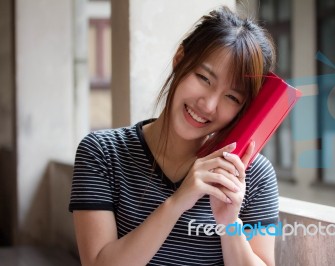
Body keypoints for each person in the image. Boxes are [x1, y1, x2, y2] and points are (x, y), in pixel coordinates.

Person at [69, 6, 279, 266]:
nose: (209, 104)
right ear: (180, 60)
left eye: (232, 97)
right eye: (204, 78)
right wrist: (178, 202)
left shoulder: (253, 175)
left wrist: (229, 225)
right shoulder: (102, 153)